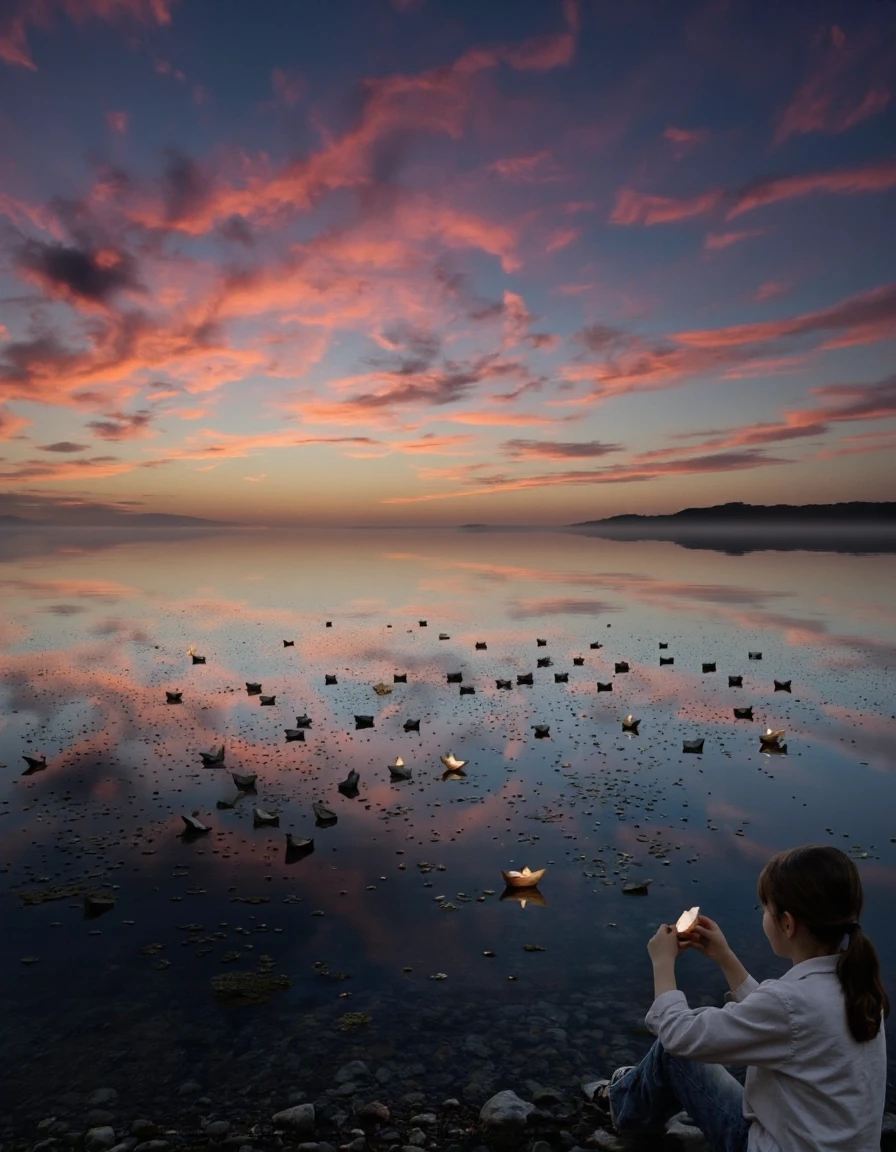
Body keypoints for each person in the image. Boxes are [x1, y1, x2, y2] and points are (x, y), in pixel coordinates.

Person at [593, 844, 889, 1151]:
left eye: (766, 909)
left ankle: (622, 1104)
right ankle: (632, 1087)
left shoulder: (790, 1003)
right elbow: (777, 1020)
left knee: (672, 1055)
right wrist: (725, 957)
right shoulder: (858, 987)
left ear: (787, 923)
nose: (764, 916)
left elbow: (680, 1037)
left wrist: (662, 964)